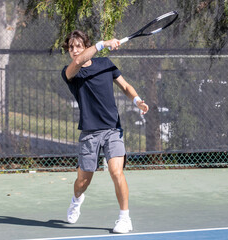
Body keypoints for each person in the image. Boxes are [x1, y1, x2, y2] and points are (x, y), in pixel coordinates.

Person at [61, 30, 149, 234]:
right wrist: (103, 44)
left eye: (78, 46)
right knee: (83, 181)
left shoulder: (105, 64)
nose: (74, 51)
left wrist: (137, 101)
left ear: (85, 46)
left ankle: (124, 218)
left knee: (116, 171)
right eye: (71, 47)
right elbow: (80, 61)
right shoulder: (70, 72)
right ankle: (76, 199)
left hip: (112, 129)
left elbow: (125, 86)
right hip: (89, 133)